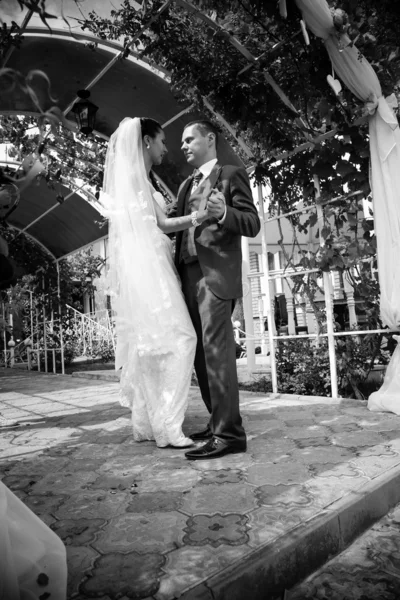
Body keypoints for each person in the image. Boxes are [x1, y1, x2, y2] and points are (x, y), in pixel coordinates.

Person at [101, 117, 210, 448]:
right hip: (152, 271)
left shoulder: (137, 180)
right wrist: (197, 217)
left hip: (147, 268)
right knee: (183, 339)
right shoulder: (138, 181)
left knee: (151, 347)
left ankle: (147, 422)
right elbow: (161, 224)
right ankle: (169, 426)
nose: (167, 147)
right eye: (162, 141)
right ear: (146, 141)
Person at [174, 120, 261, 460]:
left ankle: (230, 435)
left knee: (217, 354)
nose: (183, 146)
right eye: (181, 141)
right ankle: (216, 422)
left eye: (189, 139)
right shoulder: (183, 186)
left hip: (215, 275)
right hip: (186, 277)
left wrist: (225, 212)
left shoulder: (230, 174)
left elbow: (251, 223)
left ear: (209, 139)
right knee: (200, 355)